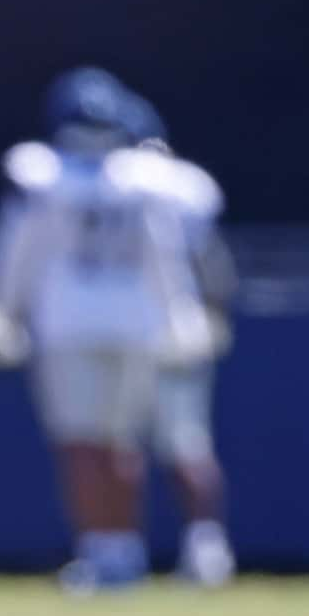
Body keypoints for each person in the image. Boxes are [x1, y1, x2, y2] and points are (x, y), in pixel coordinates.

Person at [0, 67, 210, 592]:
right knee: (122, 446)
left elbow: (19, 252)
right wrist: (177, 314)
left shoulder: (42, 175)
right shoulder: (144, 178)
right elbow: (163, 258)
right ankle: (125, 551)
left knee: (82, 446)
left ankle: (102, 551)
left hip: (70, 324)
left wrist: (4, 308)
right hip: (134, 322)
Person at [126, 95, 236, 587]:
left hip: (134, 326)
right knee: (186, 443)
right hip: (178, 323)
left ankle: (124, 553)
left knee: (124, 446)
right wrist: (212, 312)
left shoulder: (117, 183)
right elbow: (213, 263)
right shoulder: (189, 186)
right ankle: (205, 546)